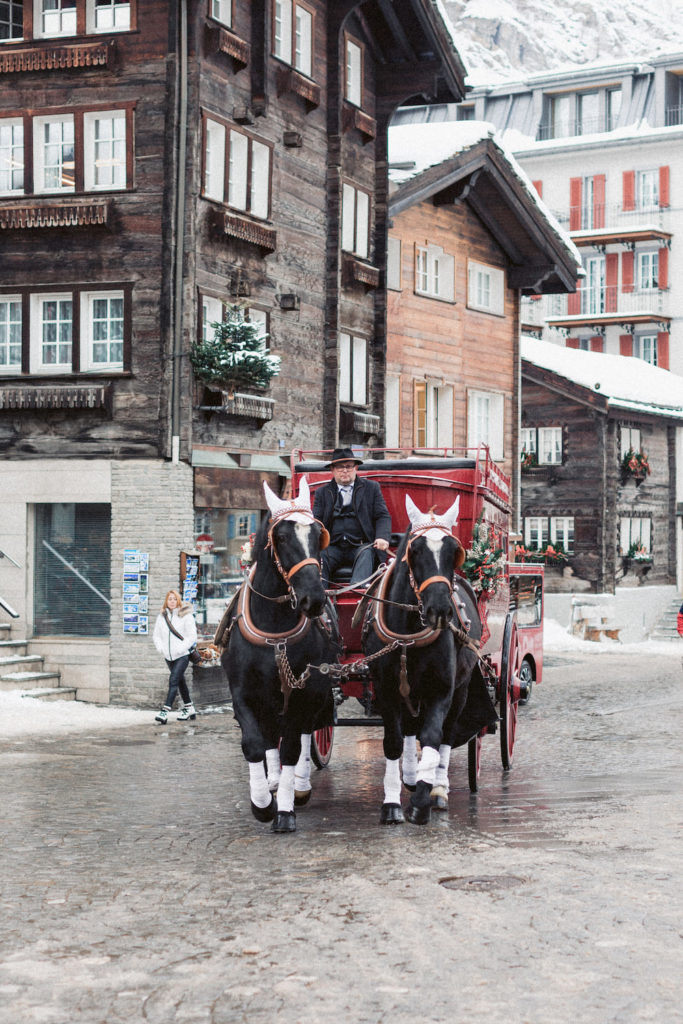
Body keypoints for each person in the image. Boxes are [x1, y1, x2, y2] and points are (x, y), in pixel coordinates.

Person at [313, 448, 391, 586]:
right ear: (332, 470)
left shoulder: (371, 488)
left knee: (367, 553)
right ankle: (320, 599)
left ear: (356, 468)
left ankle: (359, 594)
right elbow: (316, 521)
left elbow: (382, 516)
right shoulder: (322, 492)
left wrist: (382, 537)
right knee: (319, 558)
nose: (345, 471)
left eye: (349, 466)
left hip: (361, 546)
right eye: (340, 467)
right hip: (333, 547)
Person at [153, 589, 198, 723]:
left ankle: (165, 711)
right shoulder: (161, 616)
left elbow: (192, 636)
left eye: (174, 599)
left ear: (178, 601)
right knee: (180, 681)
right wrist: (160, 648)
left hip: (182, 655)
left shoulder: (186, 616)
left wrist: (181, 648)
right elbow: (156, 635)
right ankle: (189, 708)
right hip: (168, 656)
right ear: (166, 601)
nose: (172, 601)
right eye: (169, 599)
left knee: (173, 680)